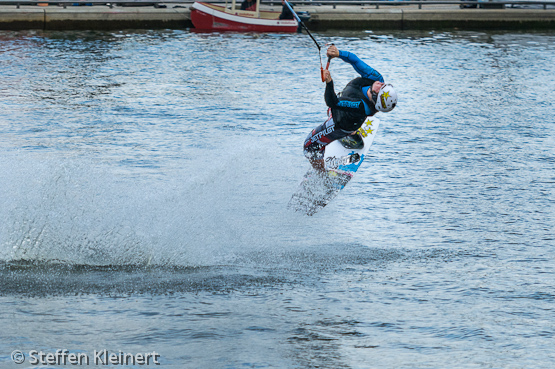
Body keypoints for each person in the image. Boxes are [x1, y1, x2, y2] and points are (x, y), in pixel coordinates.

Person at [303, 45, 398, 172]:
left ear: (375, 97)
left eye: (381, 88)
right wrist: (338, 53)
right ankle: (352, 136)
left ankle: (321, 174)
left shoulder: (360, 106)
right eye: (384, 85)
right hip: (342, 112)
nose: (382, 84)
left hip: (340, 123)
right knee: (333, 112)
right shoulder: (376, 79)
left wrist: (329, 82)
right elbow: (355, 61)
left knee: (310, 147)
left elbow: (332, 102)